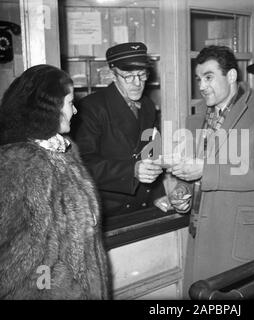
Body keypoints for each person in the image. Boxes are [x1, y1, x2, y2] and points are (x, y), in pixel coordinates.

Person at [168, 45, 254, 294]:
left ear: (232, 76)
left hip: (243, 245)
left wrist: (204, 170)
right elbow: (191, 172)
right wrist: (182, 193)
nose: (202, 86)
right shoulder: (195, 121)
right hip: (201, 239)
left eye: (209, 77)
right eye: (199, 79)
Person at [0, 64, 109, 299]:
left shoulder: (64, 151)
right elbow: (23, 260)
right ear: (50, 107)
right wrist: (59, 289)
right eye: (70, 103)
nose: (75, 111)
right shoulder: (22, 164)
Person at [74, 42, 166, 217]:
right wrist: (131, 170)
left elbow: (150, 156)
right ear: (112, 74)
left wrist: (159, 196)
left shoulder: (147, 106)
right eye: (129, 76)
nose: (137, 83)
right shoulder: (91, 108)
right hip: (107, 211)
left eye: (142, 75)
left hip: (143, 204)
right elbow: (83, 165)